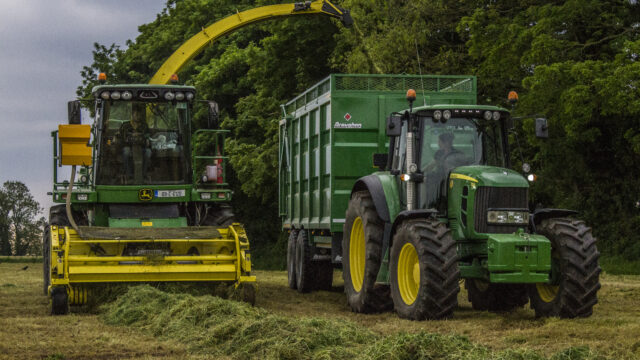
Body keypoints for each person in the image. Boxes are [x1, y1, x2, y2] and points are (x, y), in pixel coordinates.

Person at [118, 103, 152, 183]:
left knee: (148, 152)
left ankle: (143, 174)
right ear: (132, 115)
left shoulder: (144, 126)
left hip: (142, 147)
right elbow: (121, 136)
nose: (138, 116)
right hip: (128, 146)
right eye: (136, 114)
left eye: (139, 114)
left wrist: (147, 140)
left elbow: (148, 135)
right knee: (126, 152)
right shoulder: (125, 125)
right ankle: (129, 174)